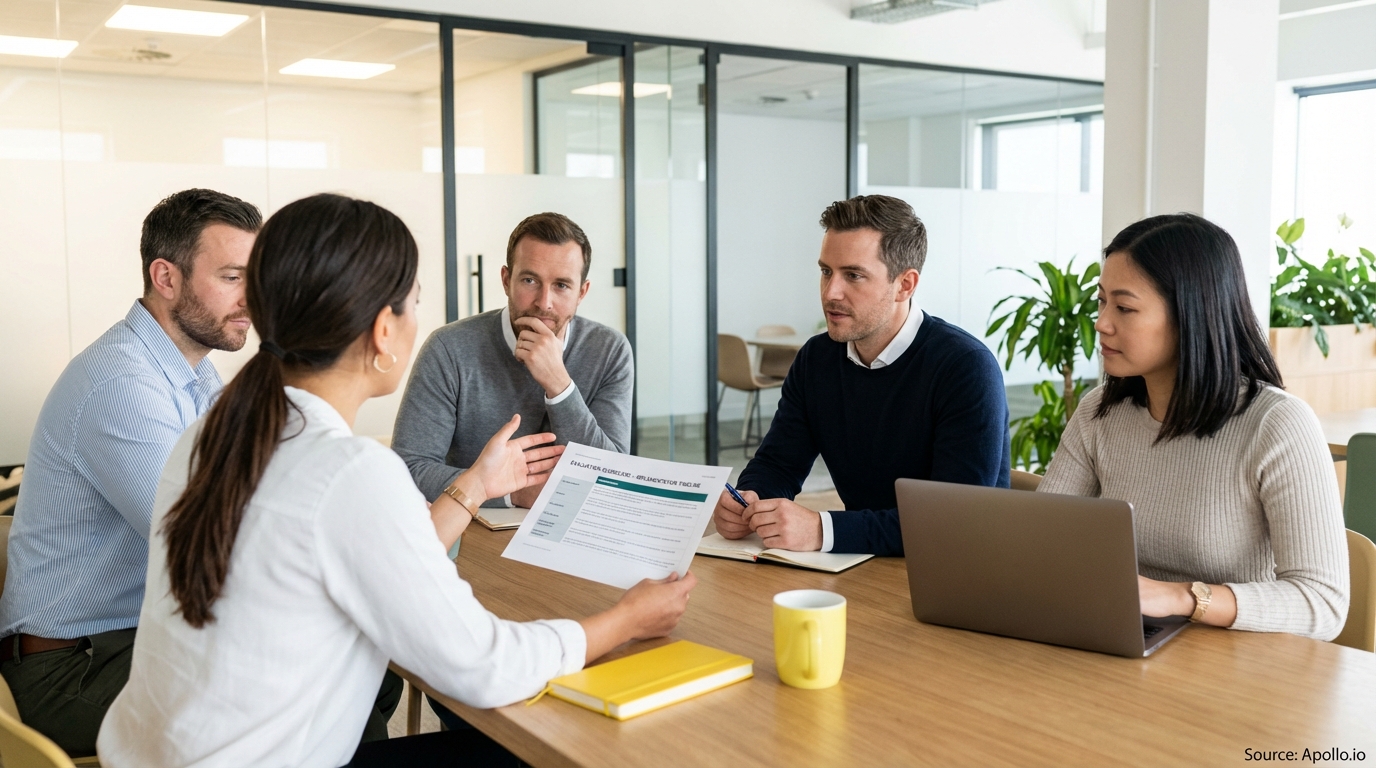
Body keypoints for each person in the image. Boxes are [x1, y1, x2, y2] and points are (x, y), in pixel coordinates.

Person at [96, 194, 695, 768]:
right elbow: (485, 664)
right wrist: (625, 620)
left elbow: (372, 551)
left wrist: (478, 483)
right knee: (531, 750)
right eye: (412, 303)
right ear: (384, 330)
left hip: (163, 755)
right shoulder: (351, 472)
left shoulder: (212, 435)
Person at [0, 189, 261, 757]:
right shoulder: (120, 382)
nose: (253, 299)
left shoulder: (195, 378)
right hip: (72, 668)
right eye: (234, 277)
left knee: (356, 675)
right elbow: (208, 541)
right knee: (286, 699)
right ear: (165, 278)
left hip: (140, 638)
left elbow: (261, 489)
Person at [1040, 213, 1348, 640]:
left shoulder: (1277, 425)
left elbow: (1323, 602)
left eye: (1125, 307)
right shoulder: (1099, 411)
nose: (1102, 323)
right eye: (1101, 301)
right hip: (1124, 644)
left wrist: (1183, 598)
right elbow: (1042, 544)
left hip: (1235, 666)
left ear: (1191, 314)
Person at [713, 195, 1010, 557]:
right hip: (860, 563)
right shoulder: (816, 358)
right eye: (825, 271)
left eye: (853, 275)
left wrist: (823, 530)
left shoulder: (965, 368)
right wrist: (750, 500)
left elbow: (951, 521)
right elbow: (778, 462)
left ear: (905, 285)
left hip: (952, 570)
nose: (830, 292)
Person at [393, 212, 633, 511]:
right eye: (530, 280)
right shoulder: (449, 348)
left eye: (561, 285)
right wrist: (512, 494)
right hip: (474, 528)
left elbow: (613, 475)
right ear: (506, 280)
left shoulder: (609, 350)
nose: (544, 302)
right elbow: (409, 468)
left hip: (577, 529)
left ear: (581, 292)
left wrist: (559, 385)